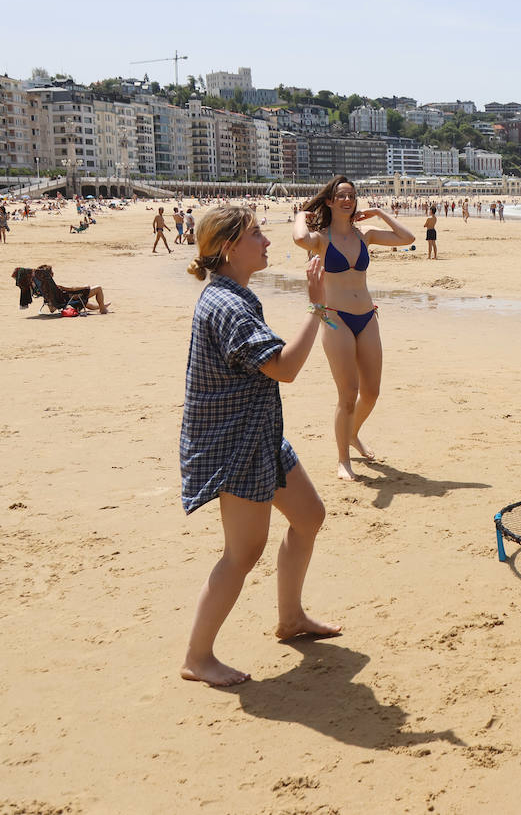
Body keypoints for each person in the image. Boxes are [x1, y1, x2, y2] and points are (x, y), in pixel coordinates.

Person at [179, 205, 340, 688]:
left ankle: (290, 618)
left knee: (309, 515)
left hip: (258, 430)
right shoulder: (227, 305)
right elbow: (285, 369)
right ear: (227, 247)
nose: (268, 242)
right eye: (256, 235)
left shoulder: (234, 294)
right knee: (242, 552)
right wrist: (317, 306)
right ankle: (198, 657)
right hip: (234, 441)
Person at [294, 176, 415, 476]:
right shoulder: (321, 238)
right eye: (341, 196)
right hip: (335, 320)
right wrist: (300, 216)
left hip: (366, 317)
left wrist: (379, 213)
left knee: (371, 393)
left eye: (352, 196)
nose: (348, 200)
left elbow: (407, 238)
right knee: (348, 394)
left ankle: (352, 433)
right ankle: (343, 459)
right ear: (330, 202)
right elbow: (299, 239)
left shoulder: (366, 235)